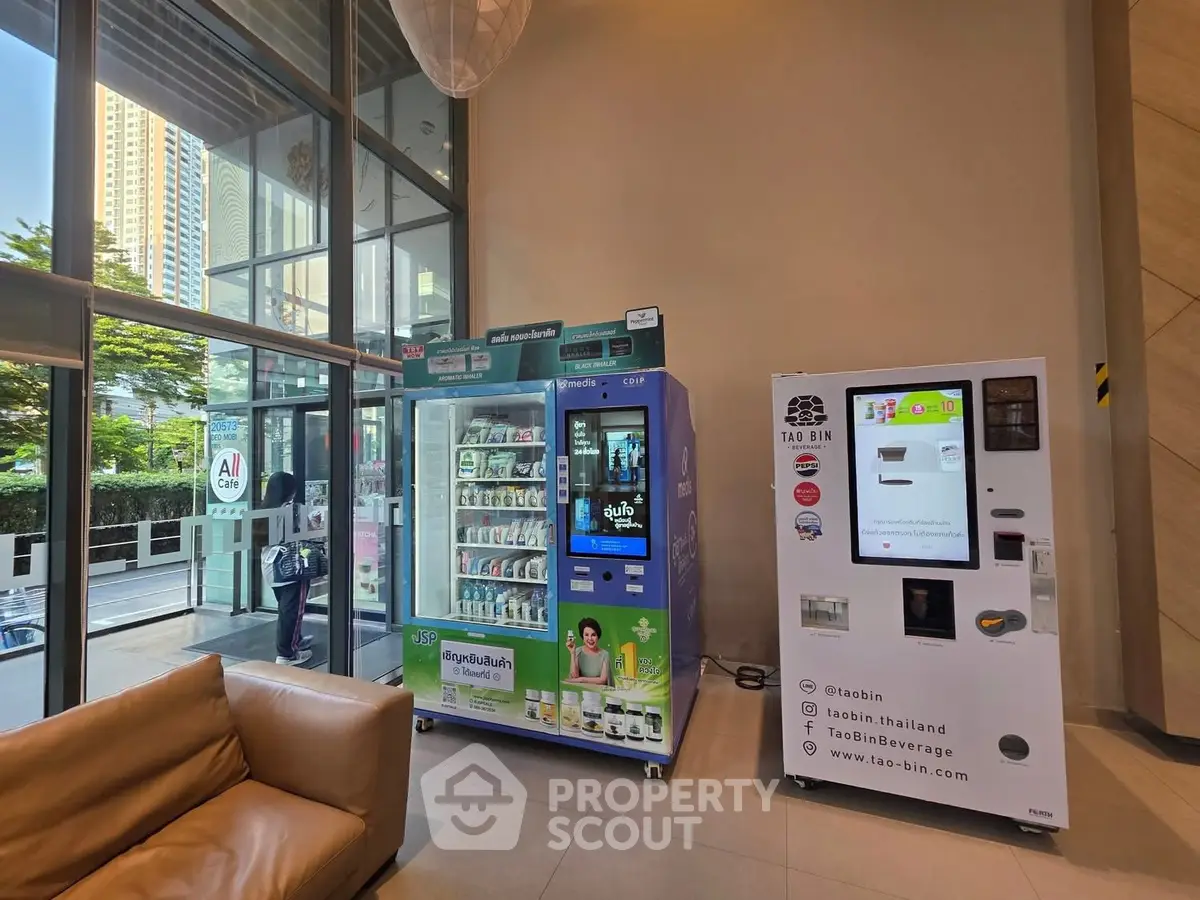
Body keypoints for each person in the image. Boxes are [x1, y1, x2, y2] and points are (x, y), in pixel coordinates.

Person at [262, 471, 315, 666]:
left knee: (285, 607)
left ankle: (296, 640)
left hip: (270, 567)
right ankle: (287, 654)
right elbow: (306, 532)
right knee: (292, 610)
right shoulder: (290, 511)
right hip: (292, 568)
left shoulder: (264, 509)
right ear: (290, 490)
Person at [565, 617, 613, 686]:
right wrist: (572, 653)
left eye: (593, 635)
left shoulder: (605, 654)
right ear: (583, 636)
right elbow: (574, 676)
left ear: (598, 636)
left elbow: (602, 680)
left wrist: (582, 680)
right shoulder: (578, 651)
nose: (590, 638)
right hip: (582, 692)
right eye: (586, 635)